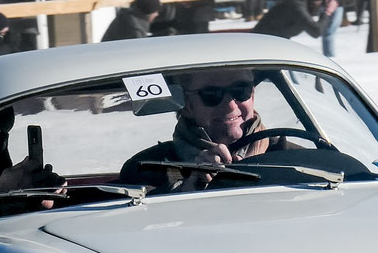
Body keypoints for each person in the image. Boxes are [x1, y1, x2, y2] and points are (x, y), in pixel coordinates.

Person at [118, 67, 292, 191]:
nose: (230, 104)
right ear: (187, 106)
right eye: (211, 94)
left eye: (240, 90)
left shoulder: (293, 160)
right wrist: (192, 185)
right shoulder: (146, 169)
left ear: (252, 94)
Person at [251, 0, 339, 51]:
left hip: (270, 43)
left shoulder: (295, 1)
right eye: (318, 3)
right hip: (264, 45)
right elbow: (316, 31)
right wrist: (327, 12)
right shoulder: (297, 7)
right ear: (313, 1)